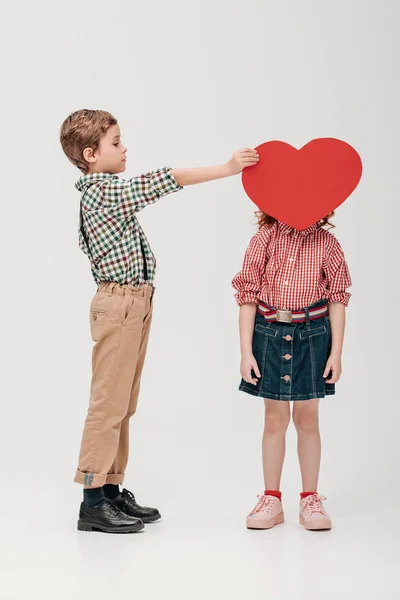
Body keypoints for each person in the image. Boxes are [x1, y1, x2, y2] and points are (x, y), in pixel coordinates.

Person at [60, 108, 259, 533]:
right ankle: (92, 500)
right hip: (120, 304)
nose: (124, 147)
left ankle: (111, 491)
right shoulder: (102, 192)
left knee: (123, 403)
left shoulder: (106, 189)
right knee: (107, 405)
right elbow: (164, 180)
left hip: (135, 302)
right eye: (116, 142)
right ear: (91, 154)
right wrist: (226, 169)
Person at [232, 211, 352, 530]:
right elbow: (248, 297)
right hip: (269, 332)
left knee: (307, 418)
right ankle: (271, 498)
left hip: (313, 334)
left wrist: (336, 353)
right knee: (274, 418)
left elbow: (338, 299)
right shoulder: (265, 239)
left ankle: (309, 498)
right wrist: (246, 351)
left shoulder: (327, 243)